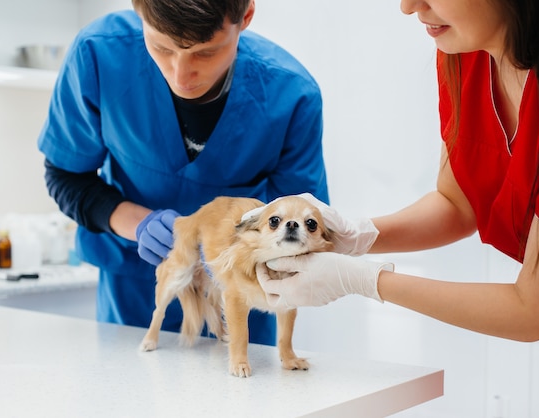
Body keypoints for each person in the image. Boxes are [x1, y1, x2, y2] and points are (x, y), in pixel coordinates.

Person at [254, 0, 539, 414]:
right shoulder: (466, 53)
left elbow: (533, 309)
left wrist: (366, 281)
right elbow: (457, 202)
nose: (409, 7)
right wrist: (354, 236)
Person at [37, 0, 329, 346]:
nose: (180, 75)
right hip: (132, 299)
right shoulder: (99, 55)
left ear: (245, 17)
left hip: (241, 299)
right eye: (161, 47)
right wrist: (141, 224)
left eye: (205, 53)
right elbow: (67, 175)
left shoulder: (291, 95)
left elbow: (304, 218)